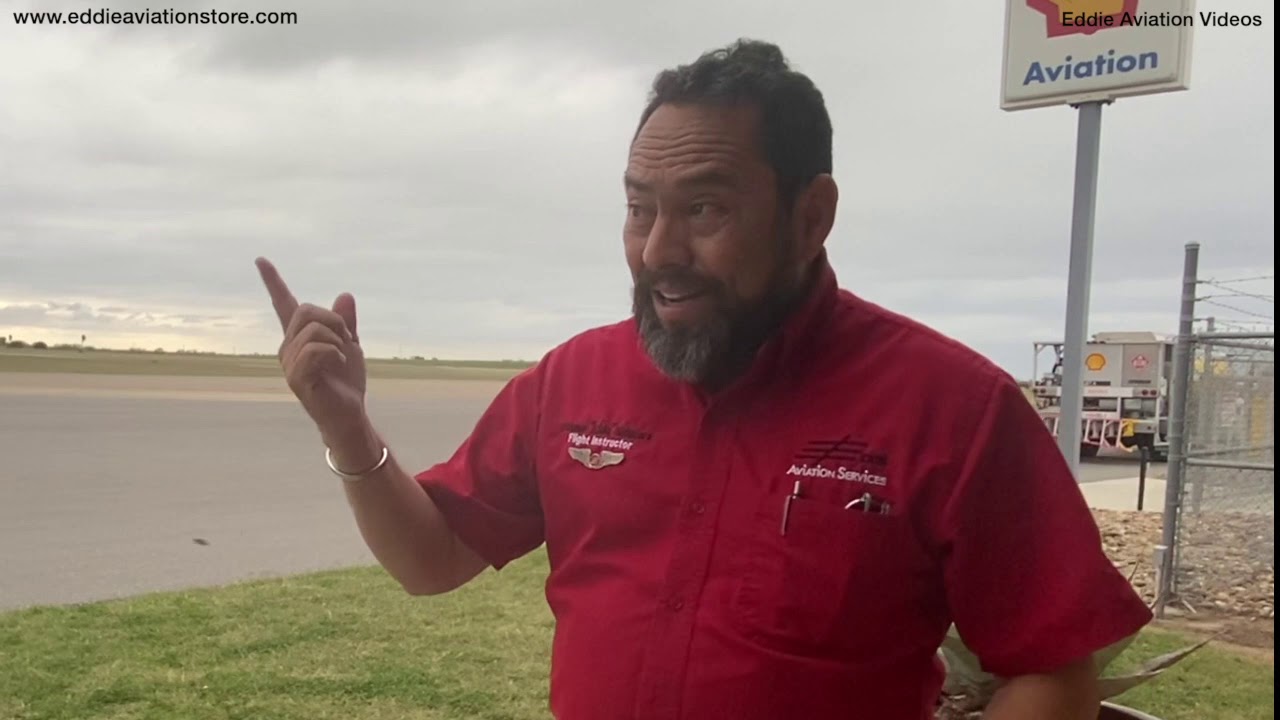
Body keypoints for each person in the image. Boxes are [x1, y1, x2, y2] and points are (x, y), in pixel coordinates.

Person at [256, 39, 1152, 720]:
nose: (658, 253)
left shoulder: (952, 407)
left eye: (706, 210)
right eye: (639, 208)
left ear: (812, 215)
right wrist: (346, 428)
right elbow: (431, 559)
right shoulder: (574, 381)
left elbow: (1053, 662)